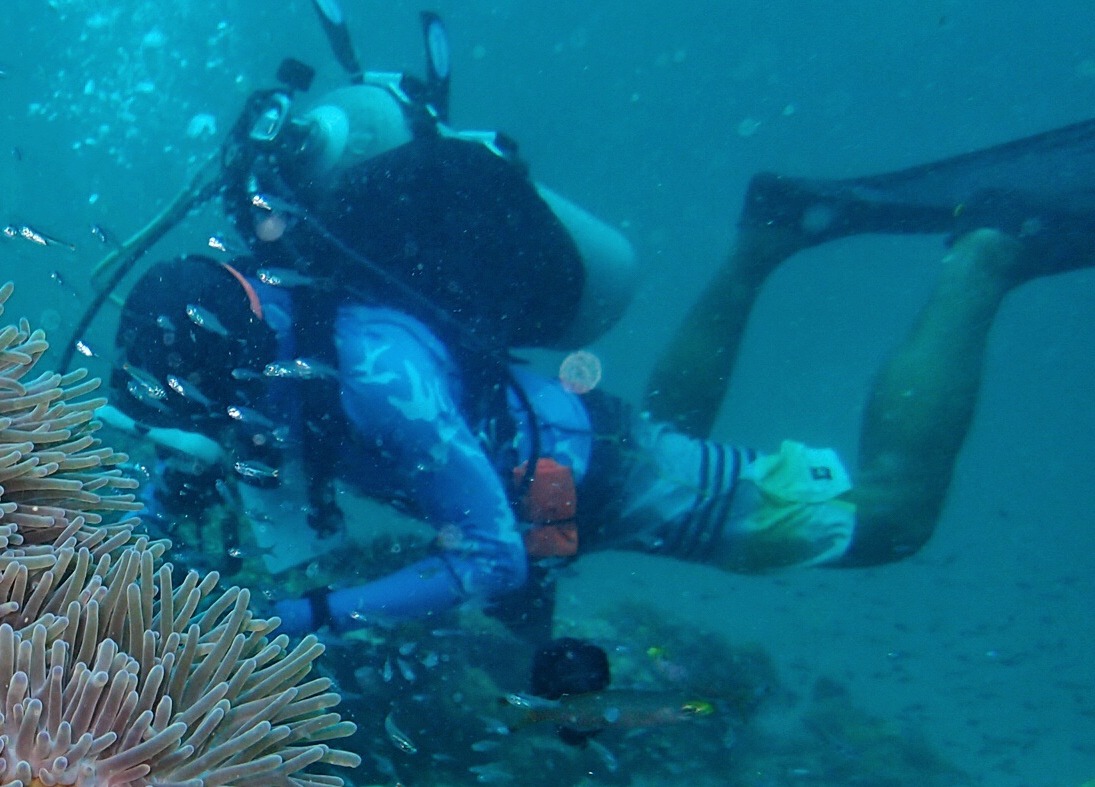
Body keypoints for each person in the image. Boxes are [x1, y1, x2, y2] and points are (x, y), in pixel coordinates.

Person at [105, 79, 1095, 644]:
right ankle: (767, 237)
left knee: (889, 521)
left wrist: (302, 617)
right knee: (673, 432)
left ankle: (983, 256)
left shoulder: (376, 378)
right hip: (559, 456)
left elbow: (490, 557)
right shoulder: (251, 338)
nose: (207, 427)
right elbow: (186, 465)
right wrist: (115, 562)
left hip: (594, 481)